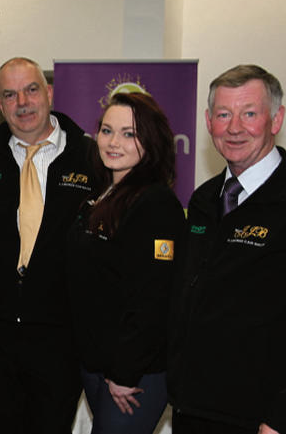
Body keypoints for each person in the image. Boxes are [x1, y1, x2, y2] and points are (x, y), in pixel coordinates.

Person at [168, 64, 286, 434]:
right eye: (224, 114)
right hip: (191, 409)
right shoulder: (205, 199)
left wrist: (284, 420)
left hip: (262, 421)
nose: (235, 127)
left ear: (276, 119)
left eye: (249, 113)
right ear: (208, 122)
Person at [0, 57, 94, 433]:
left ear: (49, 93)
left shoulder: (91, 158)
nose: (22, 102)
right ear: (0, 105)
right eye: (10, 94)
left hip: (63, 335)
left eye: (31, 89)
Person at [67, 92, 184, 434]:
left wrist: (123, 373)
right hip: (98, 366)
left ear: (151, 141)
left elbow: (153, 298)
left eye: (129, 133)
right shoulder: (101, 195)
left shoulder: (155, 203)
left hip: (135, 375)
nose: (113, 142)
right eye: (106, 130)